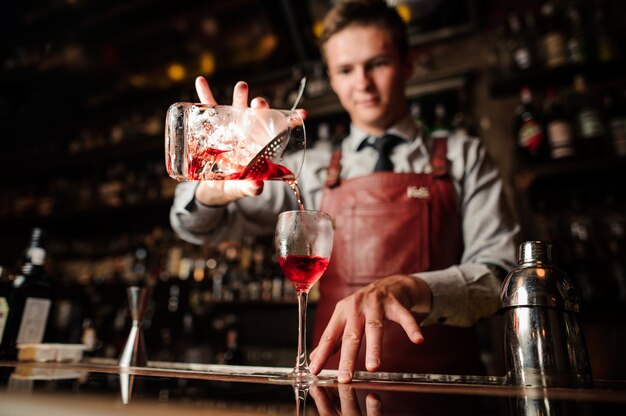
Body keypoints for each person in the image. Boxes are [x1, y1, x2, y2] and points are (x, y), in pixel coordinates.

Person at [170, 0, 518, 383]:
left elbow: (500, 277)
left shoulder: (464, 156)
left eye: (378, 63)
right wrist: (213, 187)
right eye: (346, 70)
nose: (362, 83)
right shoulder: (309, 168)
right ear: (332, 79)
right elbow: (197, 228)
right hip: (336, 387)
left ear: (408, 64)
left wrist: (413, 287)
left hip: (449, 390)